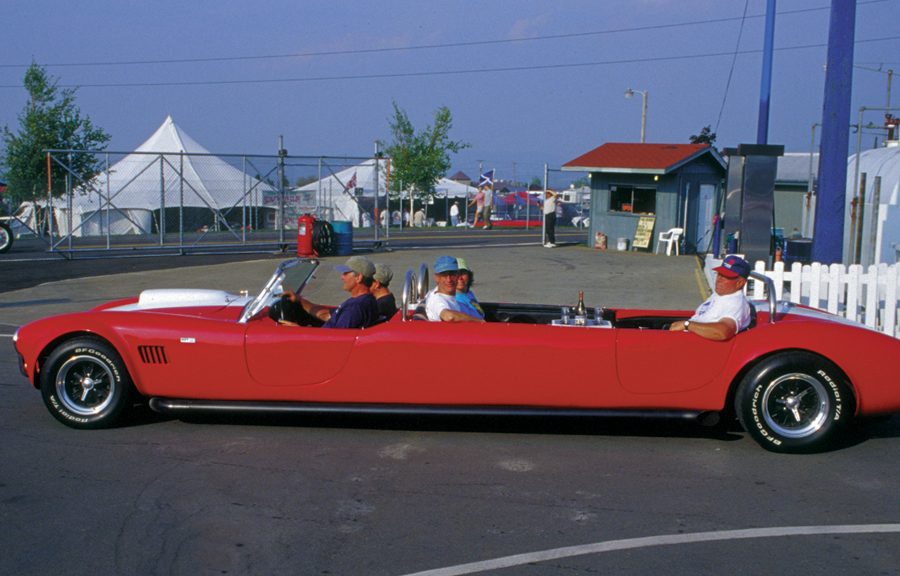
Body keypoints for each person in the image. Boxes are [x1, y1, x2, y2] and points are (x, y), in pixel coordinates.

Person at [669, 254, 752, 341]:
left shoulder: (736, 303)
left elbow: (723, 332)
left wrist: (686, 325)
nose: (719, 279)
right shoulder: (720, 295)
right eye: (719, 274)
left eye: (726, 277)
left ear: (740, 283)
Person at [281, 255, 379, 329]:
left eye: (345, 273)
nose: (342, 277)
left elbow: (336, 339)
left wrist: (298, 330)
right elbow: (326, 315)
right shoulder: (364, 300)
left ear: (358, 277)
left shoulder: (355, 307)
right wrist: (299, 300)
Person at [424, 256, 484, 322]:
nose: (449, 280)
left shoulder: (450, 296)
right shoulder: (437, 300)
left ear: (457, 275)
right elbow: (449, 316)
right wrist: (479, 321)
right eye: (444, 275)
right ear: (437, 278)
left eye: (452, 274)